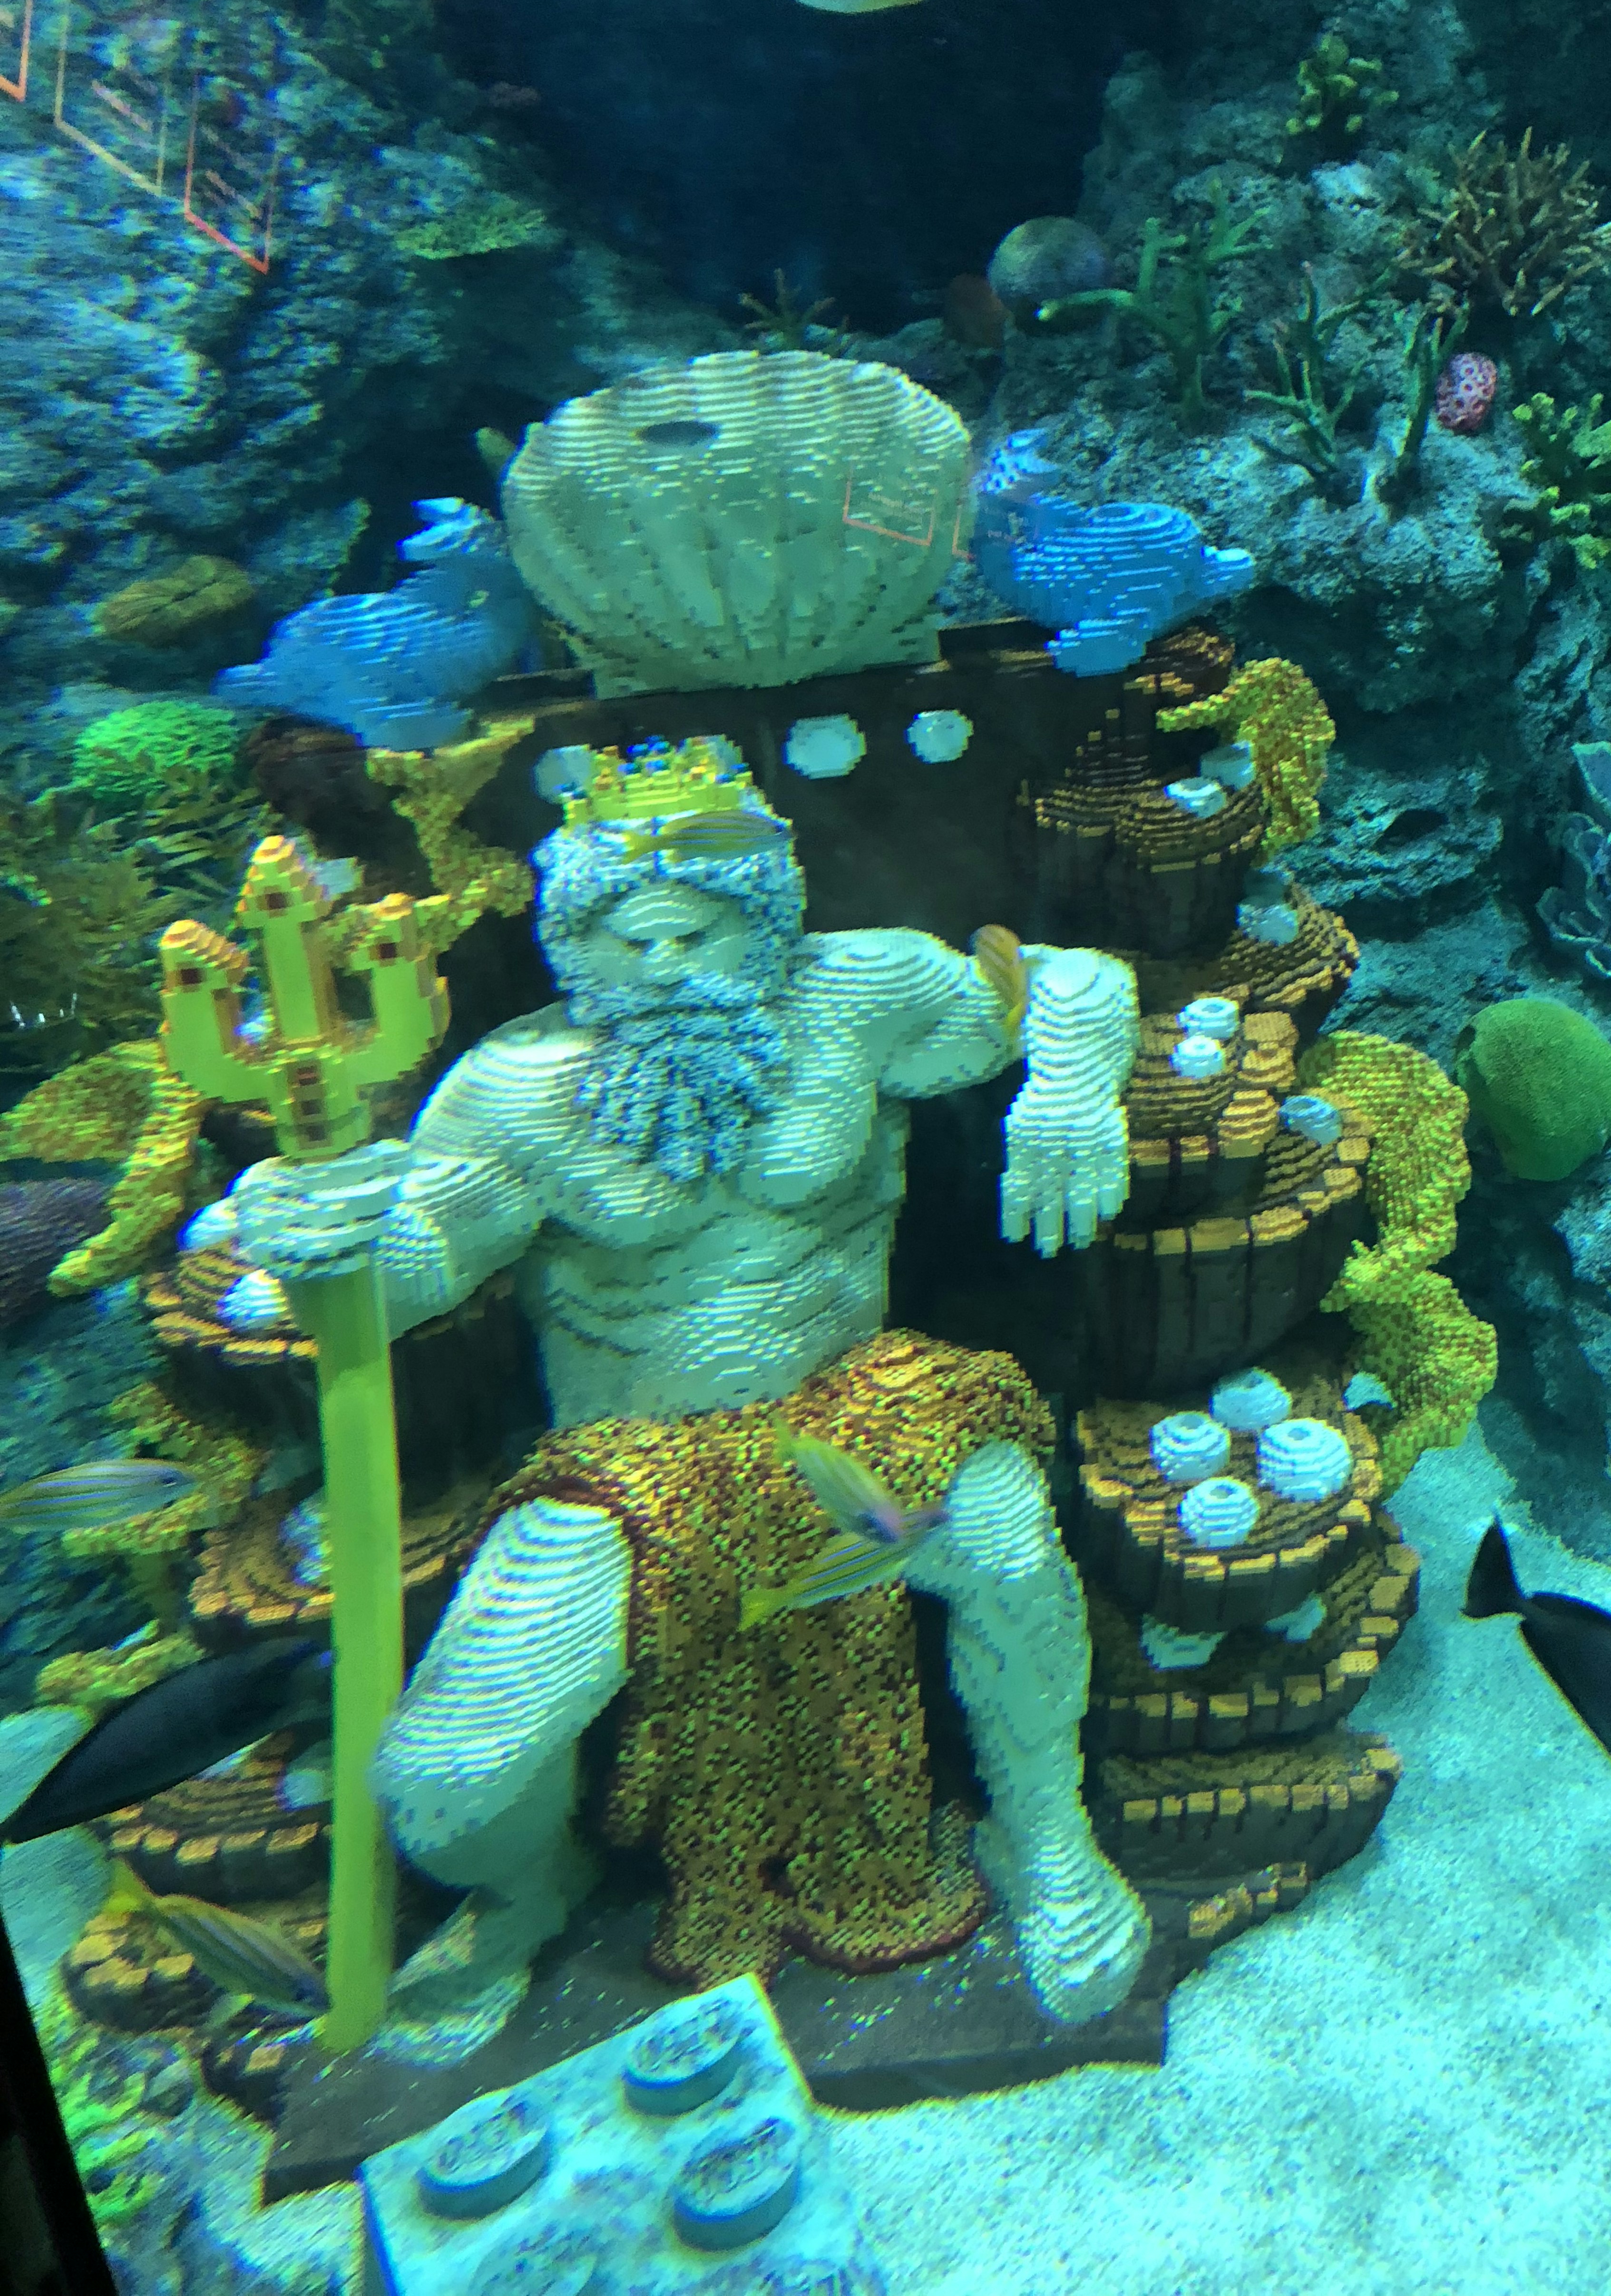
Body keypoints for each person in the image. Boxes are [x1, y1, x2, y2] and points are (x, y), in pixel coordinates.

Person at [232, 738, 1151, 2037]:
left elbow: (1068, 979)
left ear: (769, 924)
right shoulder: (518, 1089)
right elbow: (411, 1275)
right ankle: (528, 1891)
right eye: (622, 941)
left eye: (699, 931)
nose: (661, 968)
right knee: (442, 1779)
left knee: (1009, 1553)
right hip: (632, 1472)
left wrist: (1069, 1081)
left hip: (864, 1410)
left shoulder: (852, 994)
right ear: (569, 945)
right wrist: (321, 1245)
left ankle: (1047, 1839)